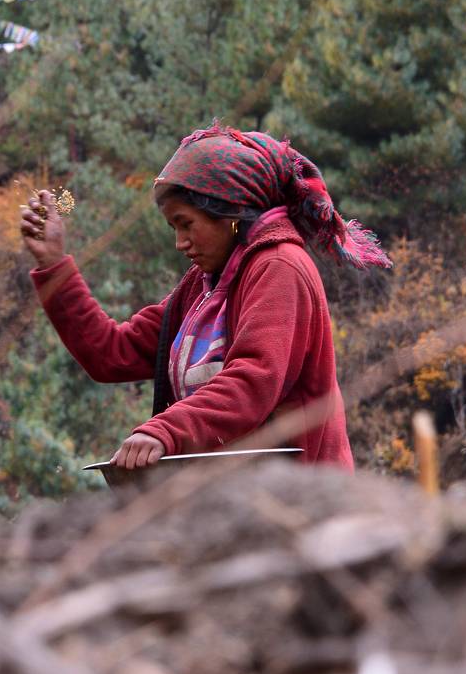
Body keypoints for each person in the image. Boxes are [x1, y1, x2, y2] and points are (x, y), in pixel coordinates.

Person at [20, 123, 391, 470]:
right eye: (173, 227)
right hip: (241, 497)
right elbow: (111, 354)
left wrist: (165, 430)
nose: (180, 242)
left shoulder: (280, 267)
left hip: (303, 500)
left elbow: (253, 382)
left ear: (230, 213)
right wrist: (53, 264)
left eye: (186, 224)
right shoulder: (205, 288)